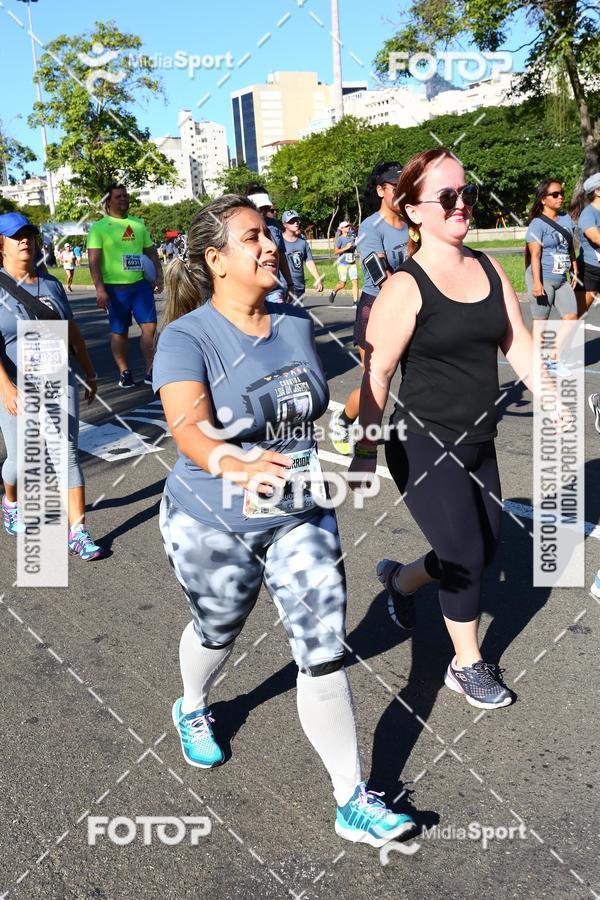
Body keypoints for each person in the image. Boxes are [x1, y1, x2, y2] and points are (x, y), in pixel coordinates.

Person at [152, 194, 415, 846]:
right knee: (217, 633)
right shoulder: (188, 337)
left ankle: (352, 799)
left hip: (300, 515)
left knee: (324, 654)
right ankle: (193, 706)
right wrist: (233, 463)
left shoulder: (296, 323)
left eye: (269, 233)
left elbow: (320, 408)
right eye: (252, 237)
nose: (270, 244)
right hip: (212, 522)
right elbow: (187, 429)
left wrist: (369, 404)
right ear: (215, 259)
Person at [348, 148, 563, 710]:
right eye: (446, 196)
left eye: (465, 192)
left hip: (479, 440)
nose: (461, 203)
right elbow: (379, 371)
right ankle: (466, 664)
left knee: (482, 548)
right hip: (422, 443)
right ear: (414, 211)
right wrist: (365, 451)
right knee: (466, 553)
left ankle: (401, 581)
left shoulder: (489, 266)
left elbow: (515, 340)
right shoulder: (405, 286)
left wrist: (552, 395)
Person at [0, 213, 105, 559]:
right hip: (14, 383)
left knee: (66, 453)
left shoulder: (52, 285)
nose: (25, 241)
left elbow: (72, 331)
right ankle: (11, 500)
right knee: (18, 460)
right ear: (1, 244)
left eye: (28, 234)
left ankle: (79, 532)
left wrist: (88, 371)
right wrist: (6, 388)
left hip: (59, 378)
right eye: (16, 236)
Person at [331, 162, 407, 455]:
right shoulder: (370, 227)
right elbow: (380, 276)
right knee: (376, 380)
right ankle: (345, 420)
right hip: (376, 308)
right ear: (380, 190)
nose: (402, 193)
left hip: (408, 307)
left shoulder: (414, 223)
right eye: (395, 187)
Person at [87, 184, 163, 388]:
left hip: (139, 286)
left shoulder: (137, 224)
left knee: (150, 327)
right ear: (108, 201)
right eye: (118, 196)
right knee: (120, 332)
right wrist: (100, 290)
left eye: (125, 196)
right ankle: (124, 372)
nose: (123, 199)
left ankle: (150, 370)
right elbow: (93, 261)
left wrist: (159, 276)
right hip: (114, 288)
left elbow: (151, 253)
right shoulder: (99, 227)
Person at [525, 180, 578, 327]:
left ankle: (555, 351)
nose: (560, 197)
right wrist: (537, 283)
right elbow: (534, 256)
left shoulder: (567, 219)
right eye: (555, 194)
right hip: (543, 279)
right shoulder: (537, 224)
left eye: (561, 193)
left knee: (572, 319)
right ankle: (533, 351)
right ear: (543, 199)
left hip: (561, 280)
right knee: (541, 325)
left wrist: (575, 268)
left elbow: (569, 246)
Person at [247, 189, 294, 302]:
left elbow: (281, 255)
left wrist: (290, 283)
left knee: (279, 318)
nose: (264, 211)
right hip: (251, 290)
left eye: (266, 207)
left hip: (274, 289)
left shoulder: (274, 225)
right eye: (260, 208)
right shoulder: (242, 227)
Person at [571, 172, 600, 316]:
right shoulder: (589, 214)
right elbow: (596, 238)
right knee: (578, 313)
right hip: (591, 270)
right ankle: (562, 339)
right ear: (597, 191)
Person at [281, 209, 323, 298]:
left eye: (297, 220)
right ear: (284, 224)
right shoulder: (279, 241)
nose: (295, 223)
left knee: (296, 311)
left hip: (299, 286)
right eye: (291, 221)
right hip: (283, 286)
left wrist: (318, 279)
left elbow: (309, 261)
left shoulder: (302, 242)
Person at [329, 221, 359, 305]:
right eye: (346, 226)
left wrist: (357, 243)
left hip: (352, 264)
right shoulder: (340, 239)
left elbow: (357, 248)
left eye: (348, 226)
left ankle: (356, 301)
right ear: (341, 229)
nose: (348, 227)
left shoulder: (353, 238)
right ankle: (334, 292)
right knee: (342, 284)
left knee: (355, 281)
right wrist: (346, 247)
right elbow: (335, 252)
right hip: (343, 264)